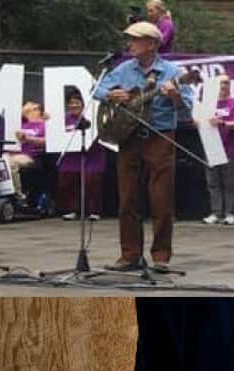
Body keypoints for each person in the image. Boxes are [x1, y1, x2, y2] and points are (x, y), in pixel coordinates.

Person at [92, 21, 194, 271]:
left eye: (135, 40)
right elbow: (97, 90)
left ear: (151, 44)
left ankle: (161, 257)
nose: (130, 44)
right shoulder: (123, 69)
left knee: (161, 198)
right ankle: (130, 255)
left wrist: (175, 95)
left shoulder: (174, 72)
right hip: (129, 137)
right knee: (127, 198)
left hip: (160, 136)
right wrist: (111, 95)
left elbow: (186, 109)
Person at [200, 78, 234, 225]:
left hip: (229, 148)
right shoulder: (207, 105)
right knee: (213, 183)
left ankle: (230, 213)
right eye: (221, 83)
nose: (223, 86)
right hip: (211, 147)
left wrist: (222, 122)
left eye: (226, 83)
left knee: (230, 183)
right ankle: (216, 212)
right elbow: (197, 122)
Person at [57, 91, 106, 222]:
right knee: (67, 183)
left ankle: (94, 211)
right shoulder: (63, 119)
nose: (73, 105)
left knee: (92, 183)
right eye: (71, 103)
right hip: (70, 158)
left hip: (92, 156)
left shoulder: (92, 117)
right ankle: (72, 210)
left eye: (77, 103)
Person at [9, 101, 49, 201]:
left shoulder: (44, 125)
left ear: (36, 108)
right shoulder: (21, 124)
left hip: (32, 157)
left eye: (28, 104)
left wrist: (28, 138)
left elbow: (47, 142)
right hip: (14, 154)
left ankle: (17, 194)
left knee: (11, 163)